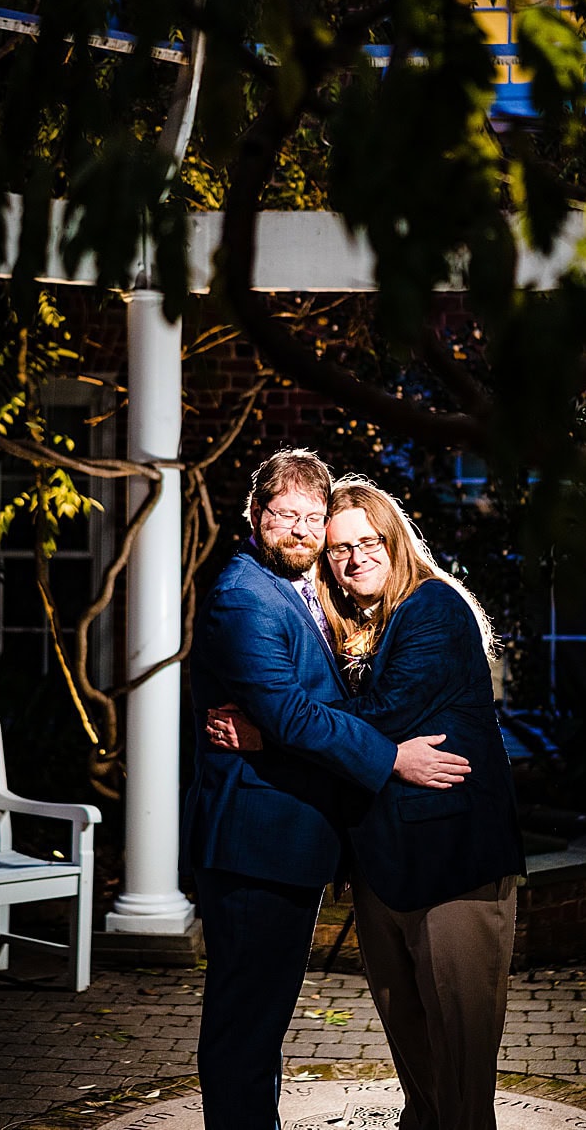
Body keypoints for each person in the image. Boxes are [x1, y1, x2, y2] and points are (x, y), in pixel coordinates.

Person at [207, 476, 522, 1130]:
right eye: (338, 549)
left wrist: (268, 732)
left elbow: (385, 714)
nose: (354, 559)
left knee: (461, 1087)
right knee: (422, 1082)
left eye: (368, 541)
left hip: (452, 868)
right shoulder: (366, 626)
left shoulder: (433, 608)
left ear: (394, 538)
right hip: (389, 870)